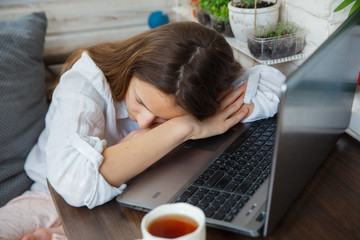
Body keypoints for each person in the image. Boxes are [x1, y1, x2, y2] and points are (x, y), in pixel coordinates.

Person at [0, 21, 285, 240]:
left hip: (136, 199)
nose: (146, 121)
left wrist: (196, 116)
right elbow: (74, 186)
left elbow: (271, 85)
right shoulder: (84, 85)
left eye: (165, 117)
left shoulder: (190, 85)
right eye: (140, 101)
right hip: (50, 197)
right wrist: (184, 126)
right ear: (132, 65)